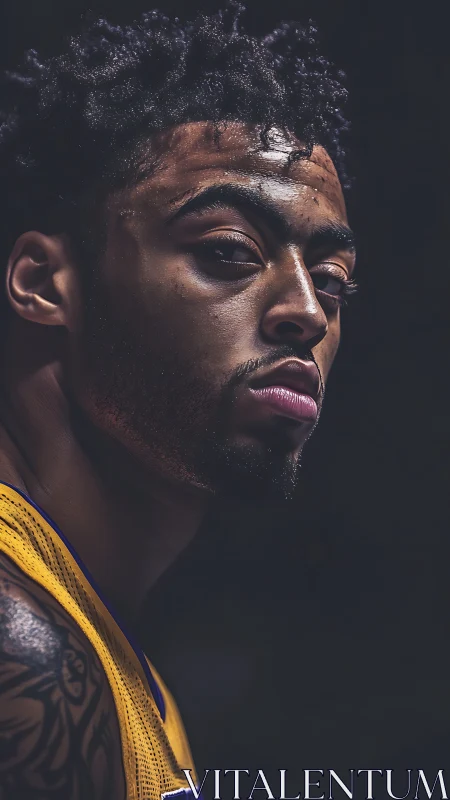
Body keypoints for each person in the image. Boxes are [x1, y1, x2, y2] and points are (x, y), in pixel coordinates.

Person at [0, 4, 356, 799]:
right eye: (230, 251)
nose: (307, 311)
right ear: (41, 285)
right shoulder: (22, 653)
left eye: (332, 282)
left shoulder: (113, 661)